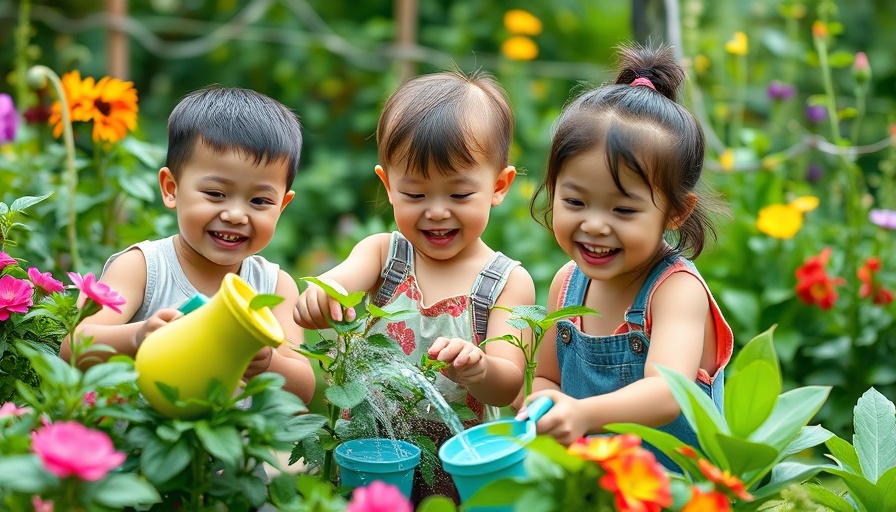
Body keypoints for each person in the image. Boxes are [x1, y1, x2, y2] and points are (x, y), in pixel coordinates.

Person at [294, 69, 535, 501]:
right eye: (416, 195)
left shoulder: (506, 283)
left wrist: (479, 368)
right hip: (371, 447)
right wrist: (320, 296)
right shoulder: (383, 256)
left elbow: (508, 383)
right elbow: (334, 284)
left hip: (458, 461)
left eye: (459, 195)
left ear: (499, 186)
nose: (437, 212)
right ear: (388, 186)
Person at [518, 42, 733, 471]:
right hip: (593, 487)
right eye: (576, 202)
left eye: (623, 210)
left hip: (674, 491)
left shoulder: (674, 292)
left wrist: (582, 414)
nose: (595, 225)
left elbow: (667, 394)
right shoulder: (567, 283)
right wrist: (543, 401)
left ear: (675, 212)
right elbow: (546, 377)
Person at [59, 86, 315, 406]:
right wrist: (137, 338)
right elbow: (74, 347)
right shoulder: (143, 267)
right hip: (144, 446)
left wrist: (267, 363)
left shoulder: (274, 286)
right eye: (215, 194)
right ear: (171, 189)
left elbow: (304, 389)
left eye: (260, 200)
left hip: (234, 450)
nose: (235, 215)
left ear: (282, 206)